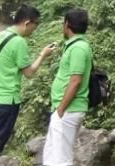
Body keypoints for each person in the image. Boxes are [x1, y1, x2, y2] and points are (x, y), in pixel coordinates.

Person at [0, 5, 56, 166]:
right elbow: (29, 73)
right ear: (27, 22)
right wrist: (43, 55)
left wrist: (1, 70)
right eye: (35, 24)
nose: (35, 29)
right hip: (6, 102)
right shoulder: (18, 42)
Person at [42, 9, 93, 166]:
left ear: (67, 25)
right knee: (52, 155)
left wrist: (61, 109)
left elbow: (75, 81)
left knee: (61, 159)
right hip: (63, 109)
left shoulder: (78, 48)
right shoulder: (74, 46)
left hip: (68, 110)